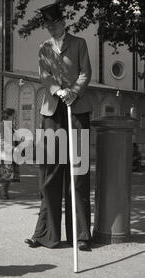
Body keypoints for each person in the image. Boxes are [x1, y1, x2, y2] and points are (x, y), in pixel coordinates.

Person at [24, 3, 92, 251]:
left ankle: (81, 235)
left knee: (78, 171)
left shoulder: (79, 43)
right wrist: (56, 89)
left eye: (54, 24)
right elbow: (44, 75)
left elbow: (86, 71)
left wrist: (73, 92)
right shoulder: (44, 48)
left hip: (77, 109)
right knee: (50, 172)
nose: (50, 28)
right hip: (52, 110)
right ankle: (44, 234)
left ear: (63, 23)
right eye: (47, 25)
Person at [0, 108, 20, 200]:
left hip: (10, 152)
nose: (15, 116)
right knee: (7, 174)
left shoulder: (10, 125)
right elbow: (2, 140)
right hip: (4, 153)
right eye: (13, 114)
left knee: (9, 174)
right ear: (8, 115)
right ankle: (3, 193)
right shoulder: (3, 125)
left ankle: (3, 191)